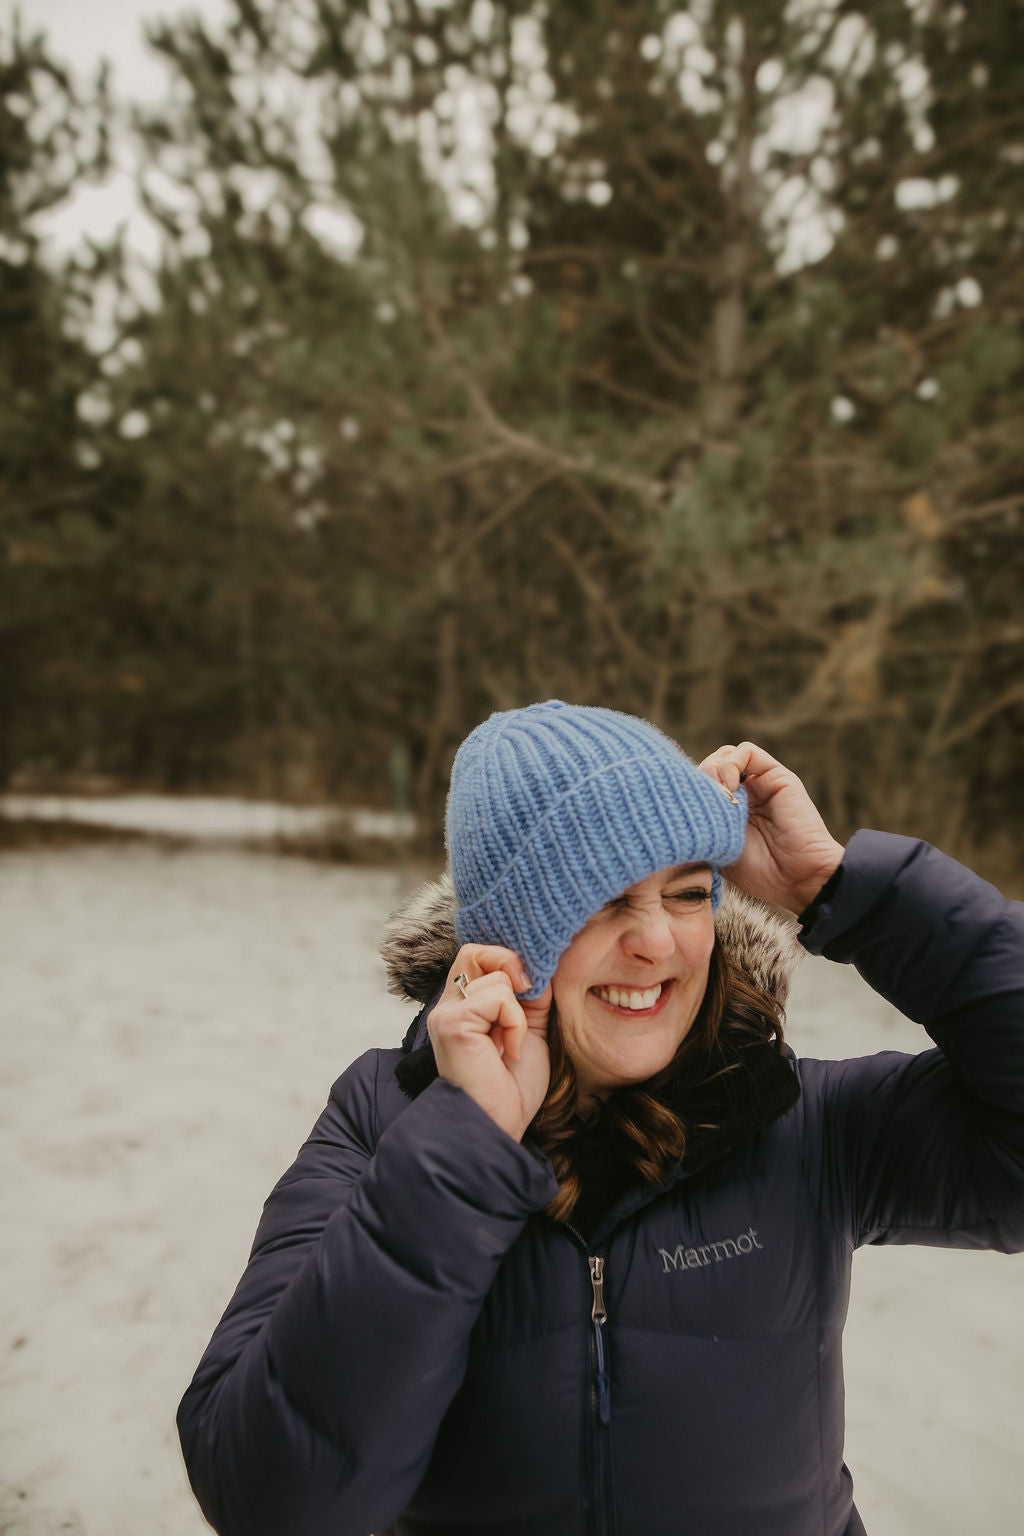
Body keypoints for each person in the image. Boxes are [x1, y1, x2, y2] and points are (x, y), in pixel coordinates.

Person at [177, 700, 1024, 1536]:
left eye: (689, 893)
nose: (658, 941)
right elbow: (273, 1500)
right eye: (604, 897)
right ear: (510, 937)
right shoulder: (388, 1122)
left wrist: (848, 893)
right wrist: (465, 1146)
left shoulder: (802, 1120)